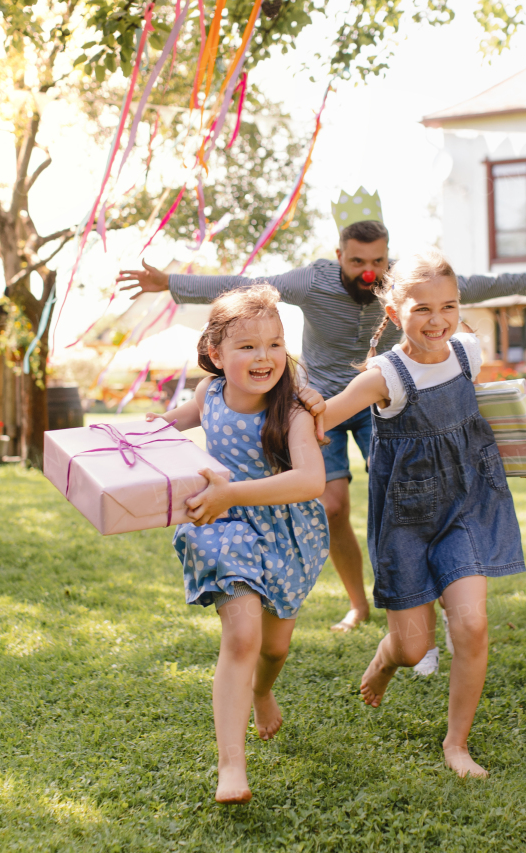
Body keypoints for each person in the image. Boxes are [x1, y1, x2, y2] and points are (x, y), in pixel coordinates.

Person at [118, 190, 526, 640]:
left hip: (381, 399)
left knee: (418, 489)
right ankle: (357, 603)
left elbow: (476, 286)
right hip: (317, 407)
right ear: (339, 257)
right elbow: (247, 282)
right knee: (331, 504)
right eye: (357, 262)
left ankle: (440, 590)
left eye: (378, 260)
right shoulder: (313, 281)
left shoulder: (402, 287)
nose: (368, 271)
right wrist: (171, 283)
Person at [315, 249, 524, 778]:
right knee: (413, 648)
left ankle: (457, 743)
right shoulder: (385, 375)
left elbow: (487, 412)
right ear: (393, 314)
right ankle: (387, 660)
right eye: (423, 309)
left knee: (472, 625)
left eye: (448, 307)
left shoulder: (467, 355)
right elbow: (322, 417)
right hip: (406, 521)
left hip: (468, 508)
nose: (438, 321)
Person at [150, 285, 329, 805]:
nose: (264, 357)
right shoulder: (208, 396)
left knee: (274, 647)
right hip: (223, 529)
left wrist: (232, 494)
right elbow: (160, 430)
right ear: (215, 353)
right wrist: (116, 439)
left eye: (274, 344)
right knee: (243, 638)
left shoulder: (293, 411)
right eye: (248, 346)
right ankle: (231, 765)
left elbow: (311, 481)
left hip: (284, 532)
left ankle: (262, 689)